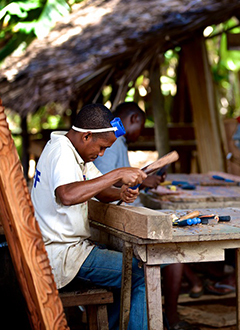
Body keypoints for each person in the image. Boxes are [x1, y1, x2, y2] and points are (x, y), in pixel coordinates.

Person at [31, 103, 148, 330]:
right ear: (86, 136)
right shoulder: (62, 152)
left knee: (127, 274)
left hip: (64, 251)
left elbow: (99, 190)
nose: (102, 154)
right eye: (102, 147)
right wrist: (117, 173)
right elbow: (67, 194)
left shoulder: (75, 154)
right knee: (139, 273)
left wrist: (119, 192)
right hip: (61, 256)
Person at [94, 102, 200, 330]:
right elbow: (102, 185)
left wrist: (141, 181)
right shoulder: (110, 143)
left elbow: (118, 181)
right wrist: (137, 183)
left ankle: (176, 304)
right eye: (140, 126)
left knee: (173, 239)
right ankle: (170, 316)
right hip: (114, 218)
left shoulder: (116, 142)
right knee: (171, 251)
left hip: (119, 212)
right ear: (132, 119)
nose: (140, 134)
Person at [94, 101, 164, 193]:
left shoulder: (120, 140)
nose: (139, 134)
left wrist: (144, 179)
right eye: (141, 127)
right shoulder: (113, 140)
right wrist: (142, 181)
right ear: (134, 118)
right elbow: (103, 179)